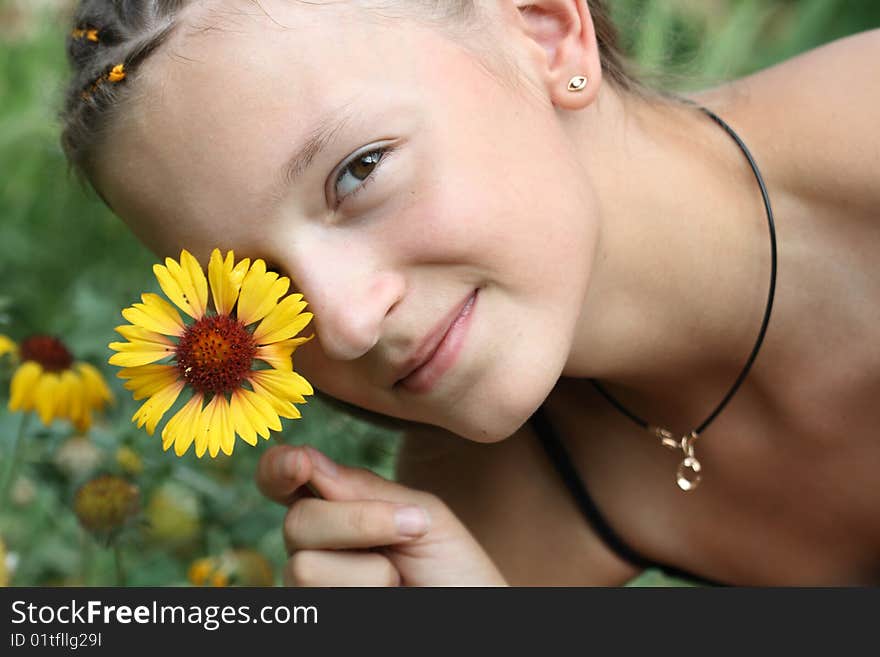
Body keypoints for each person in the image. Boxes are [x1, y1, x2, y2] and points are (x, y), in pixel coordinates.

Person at [59, 0, 880, 586]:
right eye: (257, 292)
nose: (342, 324)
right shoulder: (471, 517)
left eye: (360, 169)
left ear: (548, 33)